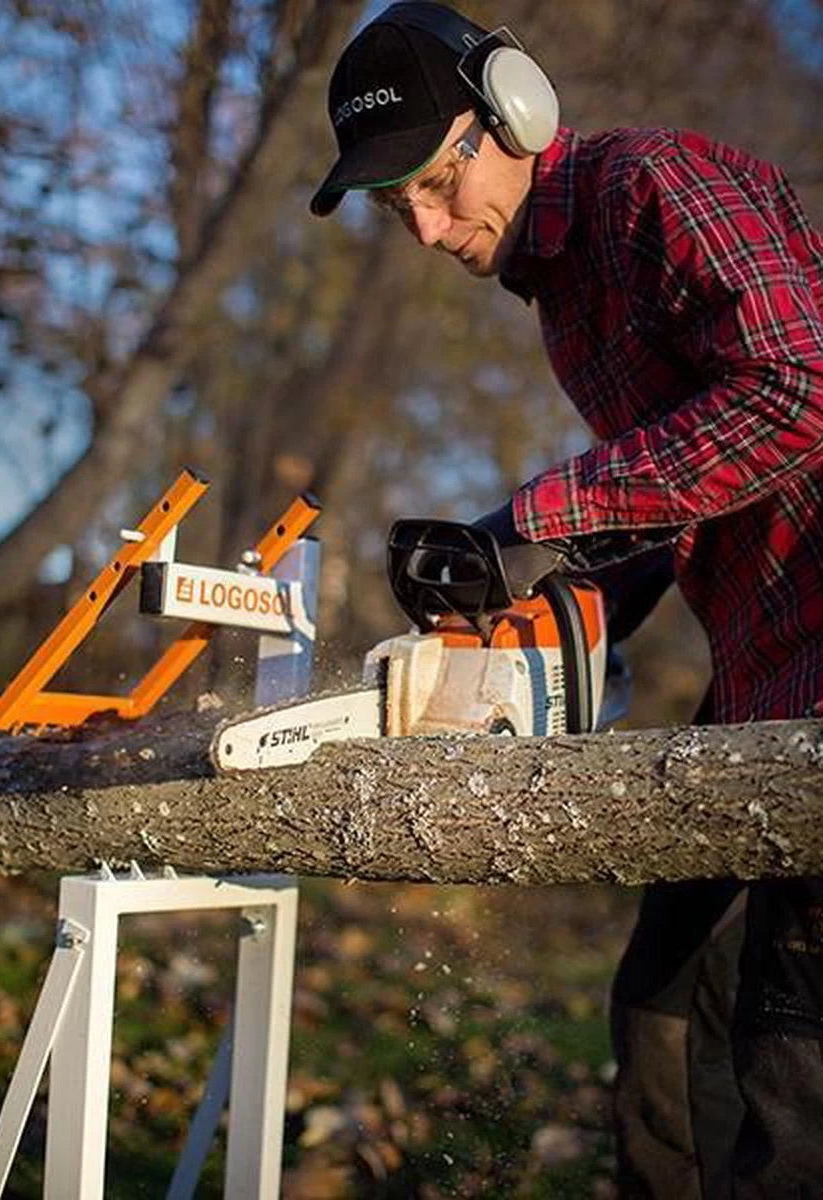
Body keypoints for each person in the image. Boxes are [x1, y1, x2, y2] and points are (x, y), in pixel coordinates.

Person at [310, 3, 823, 1197]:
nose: (430, 230)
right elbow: (682, 492)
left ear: (517, 112)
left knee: (789, 1057)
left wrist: (541, 515)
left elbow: (799, 389)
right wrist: (548, 598)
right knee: (661, 1004)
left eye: (440, 183)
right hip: (760, 675)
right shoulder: (561, 301)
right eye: (401, 211)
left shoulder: (655, 187)